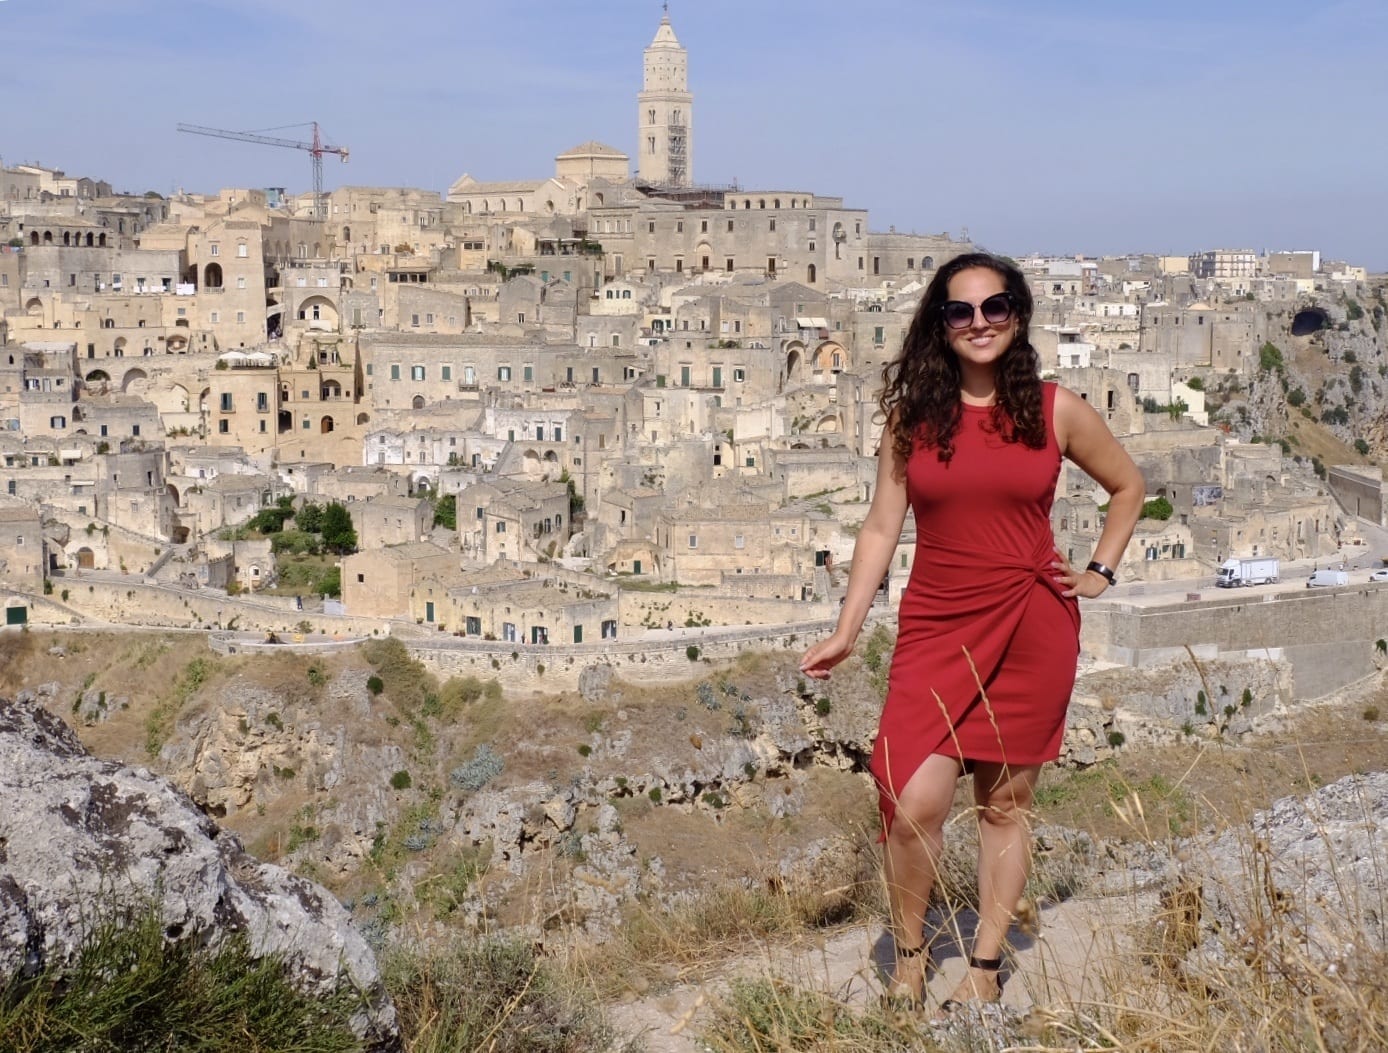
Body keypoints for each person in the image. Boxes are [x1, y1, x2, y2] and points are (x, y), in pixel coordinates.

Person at [799, 252, 1143, 1014]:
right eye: (961, 311)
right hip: (936, 623)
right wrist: (848, 627)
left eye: (995, 307)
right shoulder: (912, 419)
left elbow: (1129, 486)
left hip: (1032, 621)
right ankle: (911, 953)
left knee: (1004, 805)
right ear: (941, 324)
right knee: (909, 793)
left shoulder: (1056, 408)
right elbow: (882, 526)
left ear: (1018, 315)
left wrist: (1099, 572)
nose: (979, 322)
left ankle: (984, 964)